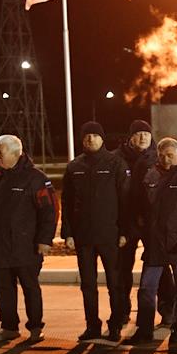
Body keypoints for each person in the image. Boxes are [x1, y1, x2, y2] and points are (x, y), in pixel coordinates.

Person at [0, 135, 58, 344]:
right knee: (3, 289)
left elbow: (49, 211)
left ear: (15, 153)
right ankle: (9, 327)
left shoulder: (35, 178)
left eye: (0, 150)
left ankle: (35, 327)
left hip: (26, 246)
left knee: (30, 288)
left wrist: (44, 239)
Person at [124, 138, 177, 349]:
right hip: (155, 245)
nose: (166, 159)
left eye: (170, 155)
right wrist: (142, 231)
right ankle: (144, 331)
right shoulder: (150, 176)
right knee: (146, 289)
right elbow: (140, 207)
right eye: (161, 155)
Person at [61, 121, 130, 342]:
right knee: (88, 285)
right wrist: (67, 233)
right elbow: (67, 202)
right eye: (86, 136)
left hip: (110, 234)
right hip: (84, 236)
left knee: (115, 283)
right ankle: (92, 325)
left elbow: (125, 200)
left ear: (102, 138)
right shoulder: (74, 167)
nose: (90, 139)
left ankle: (115, 324)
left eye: (95, 135)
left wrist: (124, 231)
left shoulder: (115, 164)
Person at [115, 120, 174, 327]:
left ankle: (168, 310)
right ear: (130, 137)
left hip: (151, 222)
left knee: (160, 266)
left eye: (146, 134)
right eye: (138, 134)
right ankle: (122, 312)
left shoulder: (158, 157)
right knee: (122, 269)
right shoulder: (117, 158)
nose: (142, 137)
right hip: (125, 221)